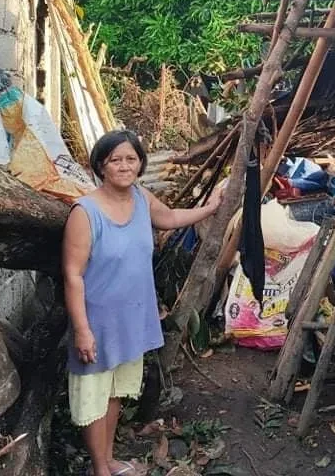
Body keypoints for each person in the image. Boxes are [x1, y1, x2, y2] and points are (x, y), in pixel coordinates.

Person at [62, 130, 222, 476]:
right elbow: (73, 275)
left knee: (114, 393)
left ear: (140, 164)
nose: (124, 166)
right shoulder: (85, 212)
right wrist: (82, 330)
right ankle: (99, 468)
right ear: (101, 165)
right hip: (98, 323)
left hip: (130, 319)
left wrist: (211, 207)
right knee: (93, 398)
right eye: (115, 160)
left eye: (131, 159)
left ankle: (107, 460)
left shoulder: (141, 198)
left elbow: (172, 218)